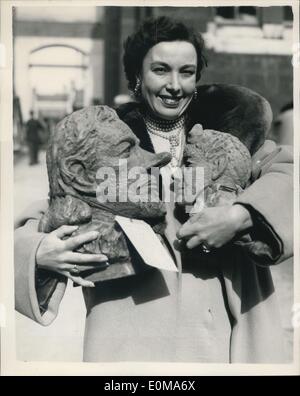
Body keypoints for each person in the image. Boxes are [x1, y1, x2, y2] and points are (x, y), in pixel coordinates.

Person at [15, 16, 293, 363]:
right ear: (136, 76)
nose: (175, 85)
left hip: (217, 337)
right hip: (126, 335)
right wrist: (39, 251)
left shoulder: (236, 133)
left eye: (186, 72)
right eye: (160, 70)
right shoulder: (103, 139)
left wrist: (239, 216)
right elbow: (50, 208)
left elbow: (289, 175)